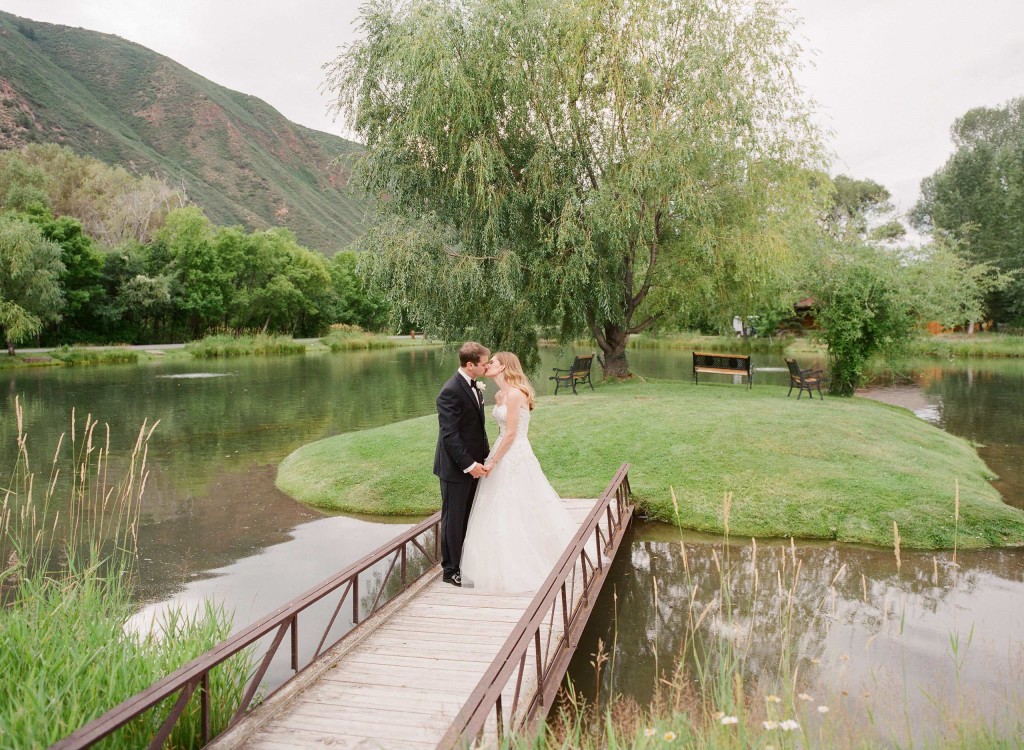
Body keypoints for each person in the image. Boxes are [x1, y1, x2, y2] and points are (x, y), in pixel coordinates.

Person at [460, 352, 577, 593]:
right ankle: (497, 565)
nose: (487, 365)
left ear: (503, 366)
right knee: (497, 507)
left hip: (515, 453)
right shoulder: (499, 394)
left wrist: (492, 461)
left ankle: (534, 562)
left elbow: (512, 433)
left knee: (521, 504)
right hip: (500, 450)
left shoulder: (515, 393)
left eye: (492, 362)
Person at [434, 341, 491, 587]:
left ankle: (465, 561)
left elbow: (476, 429)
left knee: (468, 515)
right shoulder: (450, 391)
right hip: (455, 469)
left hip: (474, 465)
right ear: (470, 365)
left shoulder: (474, 386)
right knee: (453, 520)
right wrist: (469, 465)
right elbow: (450, 436)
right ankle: (450, 570)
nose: (487, 367)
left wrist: (485, 458)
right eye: (484, 363)